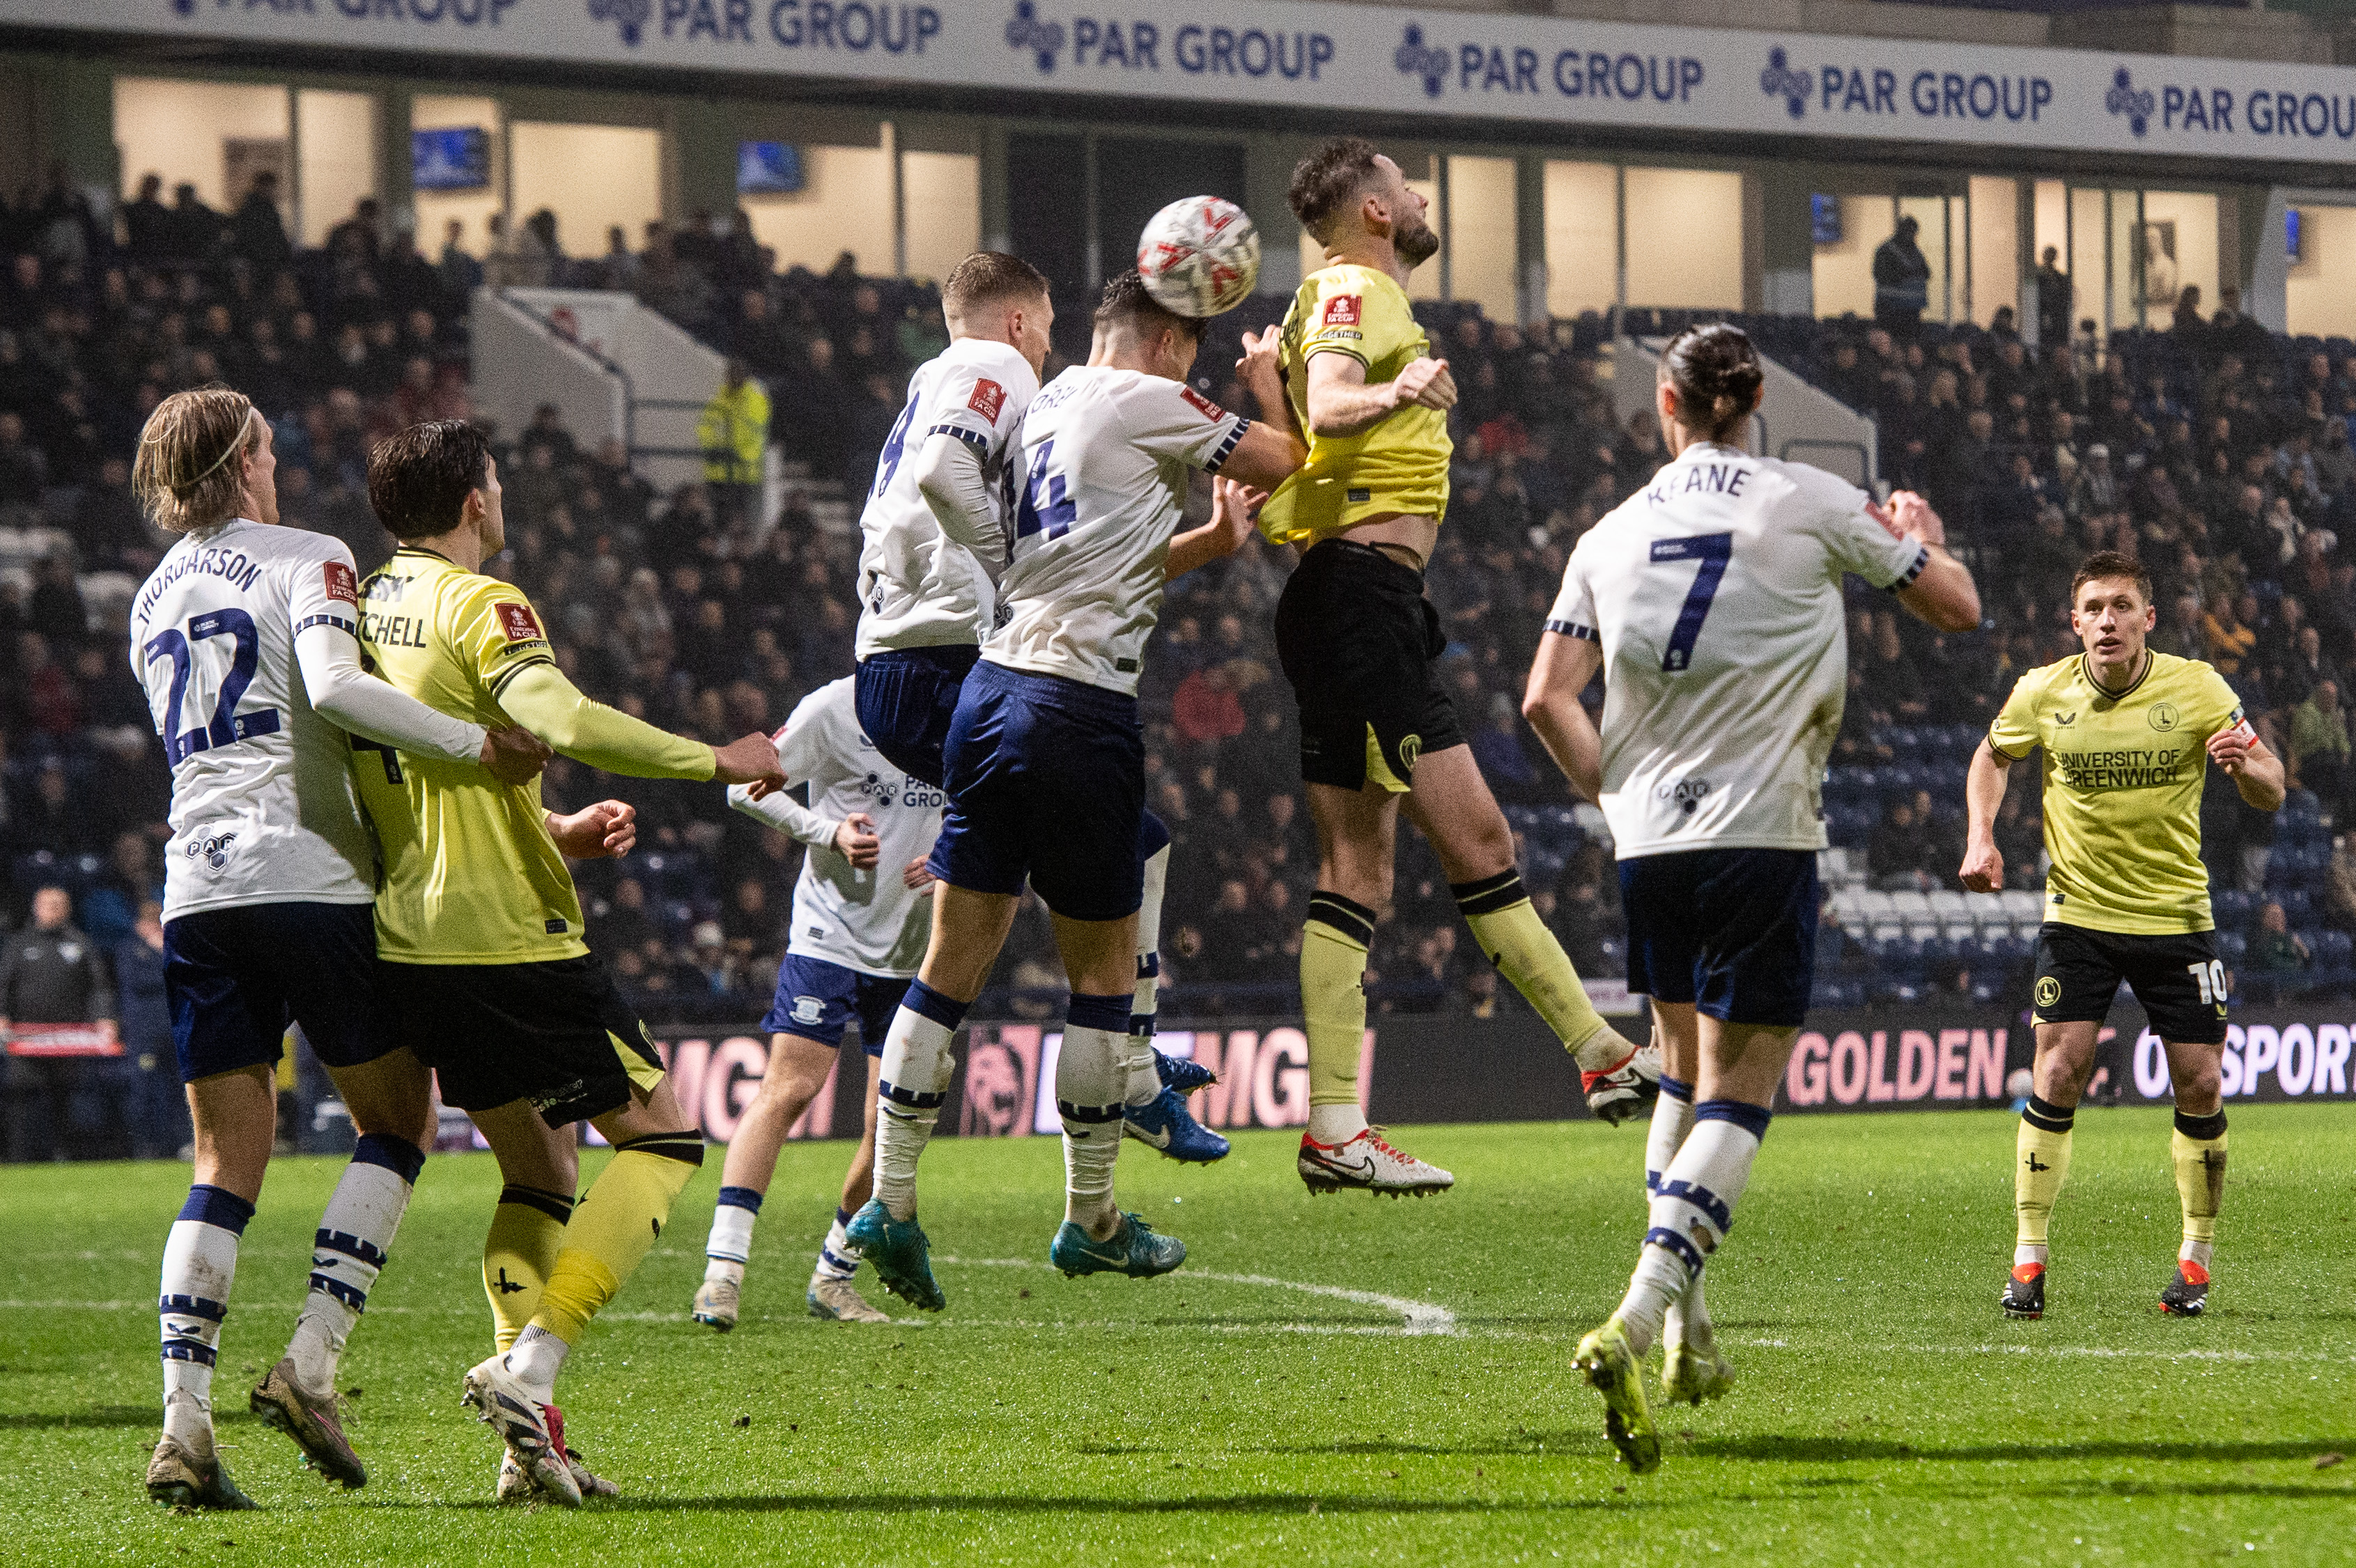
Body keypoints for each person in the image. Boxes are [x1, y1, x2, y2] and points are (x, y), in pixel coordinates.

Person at [1521, 323, 1981, 1475]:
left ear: (1663, 408)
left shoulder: (1608, 533)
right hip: (1762, 833)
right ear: (1756, 399)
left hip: (1648, 846)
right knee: (1742, 1089)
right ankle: (1636, 1312)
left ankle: (1688, 1325)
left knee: (1680, 1069)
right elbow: (1956, 608)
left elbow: (1544, 699)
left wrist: (1615, 798)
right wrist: (1918, 538)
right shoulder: (1812, 498)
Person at [126, 386, 552, 1509]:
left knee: (222, 1165)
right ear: (251, 459)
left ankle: (184, 1429)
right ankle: (309, 1362)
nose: (282, 455)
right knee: (398, 1120)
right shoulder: (307, 555)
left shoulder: (150, 597)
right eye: (272, 441)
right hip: (306, 874)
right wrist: (480, 744)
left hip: (197, 886)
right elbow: (336, 689)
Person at [846, 273, 1305, 1312]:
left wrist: (1206, 544)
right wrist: (1268, 381)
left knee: (949, 966)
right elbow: (1289, 460)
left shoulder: (1038, 410)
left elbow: (1092, 559)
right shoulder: (1139, 395)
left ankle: (891, 1198)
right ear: (1170, 343)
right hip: (1077, 709)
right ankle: (1092, 1212)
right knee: (1099, 978)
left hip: (989, 691)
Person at [348, 419, 782, 1505]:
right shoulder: (478, 602)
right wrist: (715, 757)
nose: (502, 495)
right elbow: (562, 714)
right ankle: (531, 1360)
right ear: (474, 500)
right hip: (507, 938)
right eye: (494, 480)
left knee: (538, 1172)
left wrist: (554, 831)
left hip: (413, 938)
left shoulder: (361, 607)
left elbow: (431, 776)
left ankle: (527, 1447)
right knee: (668, 1139)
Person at [1258, 137, 1656, 1201]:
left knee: (1363, 869)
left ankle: (1340, 1124)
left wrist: (1284, 392)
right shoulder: (1350, 291)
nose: (1420, 194)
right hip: (1360, 600)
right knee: (1469, 838)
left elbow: (1298, 436)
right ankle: (1595, 1050)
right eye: (1404, 184)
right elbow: (1338, 402)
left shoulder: (1319, 298)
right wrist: (1395, 394)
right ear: (1376, 212)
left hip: (1352, 598)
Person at [848, 251, 1222, 1173]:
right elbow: (943, 469)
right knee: (1113, 854)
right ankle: (1126, 1072)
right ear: (1017, 320)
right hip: (934, 665)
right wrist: (1007, 567)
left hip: (915, 665)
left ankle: (872, 1213)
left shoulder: (935, 378)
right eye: (1047, 323)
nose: (1051, 344)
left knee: (1092, 862)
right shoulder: (996, 367)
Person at [1961, 550, 2284, 1324]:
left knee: (2201, 1083)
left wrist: (2244, 770)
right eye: (2094, 608)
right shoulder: (2043, 691)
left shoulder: (2198, 686)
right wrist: (1980, 834)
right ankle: (2028, 1258)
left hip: (2176, 916)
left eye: (2121, 607)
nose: (2107, 620)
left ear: (2147, 618)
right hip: (2078, 915)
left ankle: (2194, 1262)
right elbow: (1991, 755)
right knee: (2059, 1066)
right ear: (2075, 623)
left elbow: (2272, 785)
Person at [689, 676, 941, 1330]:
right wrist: (827, 832)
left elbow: (991, 809)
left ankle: (834, 1277)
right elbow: (742, 788)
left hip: (913, 948)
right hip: (829, 938)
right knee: (789, 1090)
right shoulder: (836, 708)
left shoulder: (957, 707)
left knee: (888, 1126)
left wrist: (954, 855)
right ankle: (722, 1274)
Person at [0, 884, 118, 1163]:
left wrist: (105, 1018)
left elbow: (99, 987)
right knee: (25, 1097)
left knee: (68, 1097)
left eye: (59, 904)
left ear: (68, 908)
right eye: (47, 904)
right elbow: (3, 985)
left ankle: (67, 1155)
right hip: (25, 1038)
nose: (53, 909)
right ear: (36, 907)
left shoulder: (81, 943)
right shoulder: (18, 944)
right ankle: (21, 1157)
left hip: (70, 1039)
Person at [697, 358, 768, 532]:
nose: (734, 378)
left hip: (745, 474)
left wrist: (739, 454)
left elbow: (758, 434)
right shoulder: (719, 399)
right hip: (720, 473)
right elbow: (705, 427)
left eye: (738, 374)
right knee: (720, 524)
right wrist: (713, 448)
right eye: (731, 374)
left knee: (745, 526)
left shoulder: (755, 400)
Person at [1873, 217, 1932, 337]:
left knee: (1911, 346)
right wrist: (1905, 273)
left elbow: (1926, 273)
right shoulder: (1886, 250)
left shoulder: (1915, 251)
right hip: (1890, 310)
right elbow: (1882, 275)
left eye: (1913, 232)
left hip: (1912, 310)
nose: (1912, 235)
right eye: (1908, 231)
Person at [2036, 246, 2073, 350]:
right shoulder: (2038, 276)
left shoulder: (2060, 278)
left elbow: (2065, 297)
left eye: (2053, 255)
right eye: (2048, 255)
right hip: (2044, 317)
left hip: (2059, 319)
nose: (2050, 258)